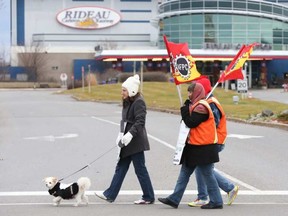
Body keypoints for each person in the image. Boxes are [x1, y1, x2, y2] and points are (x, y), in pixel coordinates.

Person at [158, 83, 223, 209]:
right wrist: (187, 107)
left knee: (208, 174)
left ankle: (216, 201)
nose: (188, 95)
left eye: (190, 92)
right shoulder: (196, 106)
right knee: (184, 173)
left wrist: (184, 110)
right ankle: (174, 198)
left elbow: (191, 122)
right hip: (194, 146)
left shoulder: (202, 107)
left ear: (197, 93)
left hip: (204, 147)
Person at [95, 74, 155, 204]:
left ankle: (149, 196)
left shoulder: (139, 102)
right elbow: (125, 121)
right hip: (127, 142)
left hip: (136, 142)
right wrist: (120, 135)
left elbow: (140, 122)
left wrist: (129, 135)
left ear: (132, 90)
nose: (122, 92)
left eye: (124, 90)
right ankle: (110, 194)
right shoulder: (128, 101)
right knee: (121, 167)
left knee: (140, 169)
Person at [188, 76, 239, 207]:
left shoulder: (210, 103)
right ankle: (206, 195)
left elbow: (212, 124)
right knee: (204, 168)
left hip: (213, 141)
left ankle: (222, 190)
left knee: (204, 168)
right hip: (209, 140)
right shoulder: (207, 102)